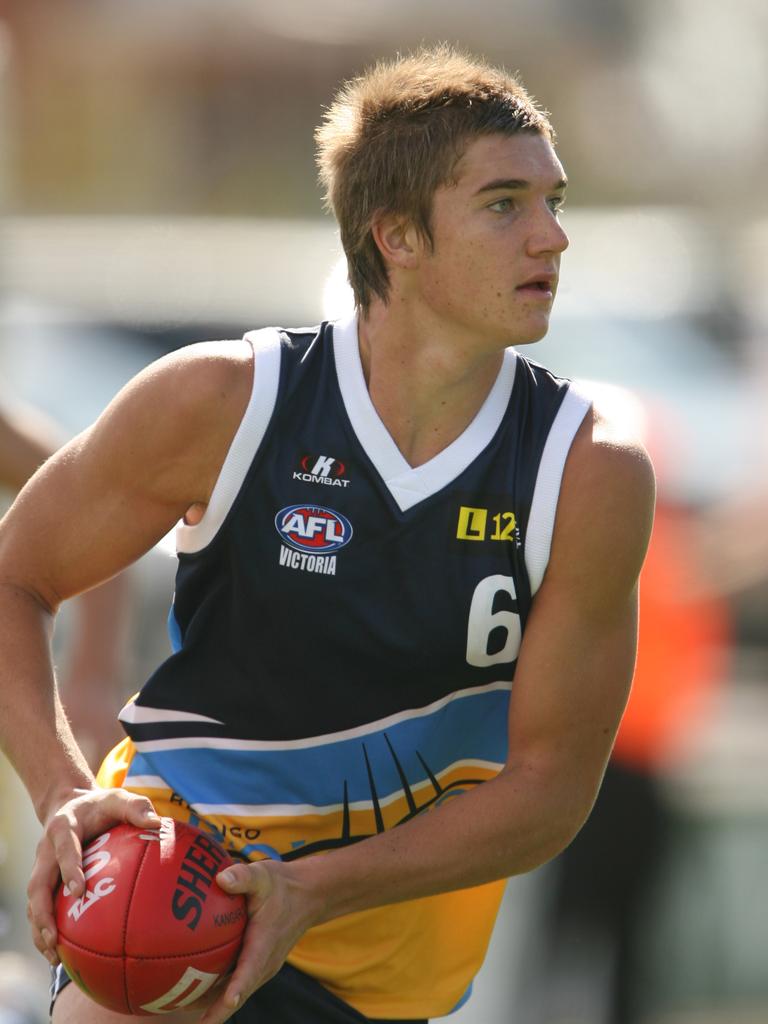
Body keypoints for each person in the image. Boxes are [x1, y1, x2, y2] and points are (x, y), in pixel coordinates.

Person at [0, 45, 655, 1024]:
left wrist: (313, 890)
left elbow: (549, 789)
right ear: (395, 234)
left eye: (555, 201)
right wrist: (59, 792)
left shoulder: (590, 467)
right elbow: (16, 579)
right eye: (505, 203)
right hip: (174, 913)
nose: (553, 238)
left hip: (384, 981)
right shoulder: (223, 401)